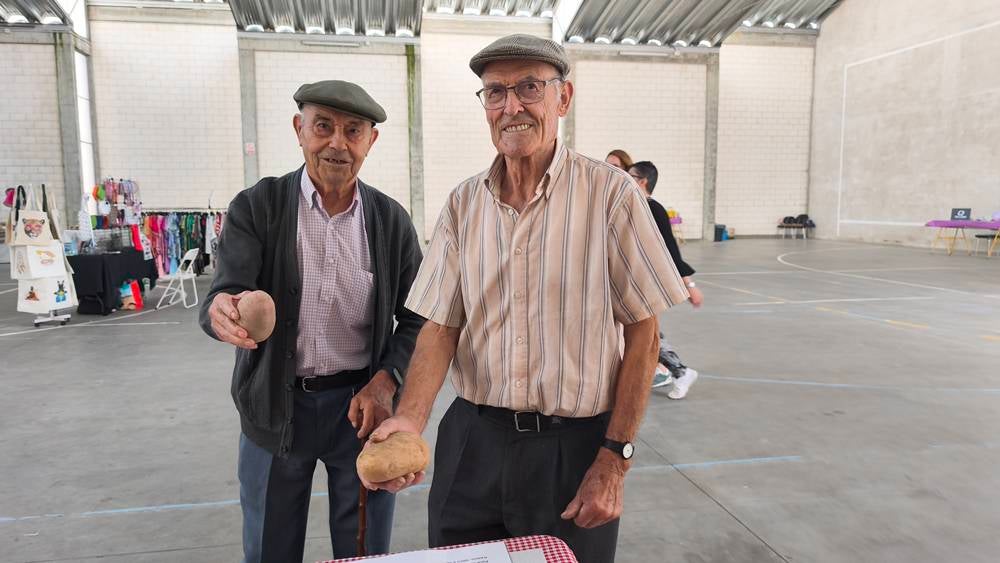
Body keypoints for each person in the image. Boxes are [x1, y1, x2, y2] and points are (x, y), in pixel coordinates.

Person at [361, 34, 689, 562]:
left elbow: (644, 338)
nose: (511, 106)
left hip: (573, 449)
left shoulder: (611, 196)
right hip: (472, 441)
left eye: (529, 87)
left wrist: (615, 460)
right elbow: (440, 328)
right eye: (495, 92)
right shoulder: (464, 203)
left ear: (563, 98)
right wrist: (410, 423)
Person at [199, 80, 425, 562]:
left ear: (371, 141)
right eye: (323, 126)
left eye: (353, 130)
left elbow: (416, 319)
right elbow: (226, 288)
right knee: (269, 546)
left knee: (363, 548)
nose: (337, 143)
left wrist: (387, 380)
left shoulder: (391, 222)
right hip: (275, 408)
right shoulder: (257, 207)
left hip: (361, 410)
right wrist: (222, 309)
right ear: (299, 129)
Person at [628, 161, 703, 399]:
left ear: (643, 181)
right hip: (628, 278)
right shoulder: (632, 205)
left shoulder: (653, 208)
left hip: (643, 281)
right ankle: (675, 371)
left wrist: (688, 284)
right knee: (640, 332)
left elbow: (670, 248)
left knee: (644, 332)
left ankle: (678, 371)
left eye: (629, 174)